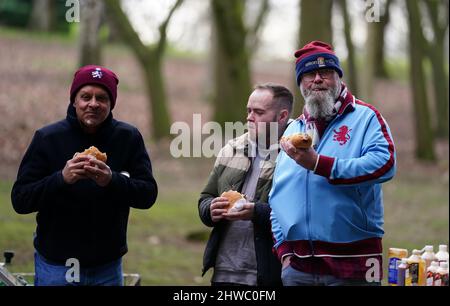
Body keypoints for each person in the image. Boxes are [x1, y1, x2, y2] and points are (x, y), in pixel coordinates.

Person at [11, 65, 158, 286]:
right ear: (74, 101)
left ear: (111, 103)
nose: (93, 104)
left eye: (102, 98)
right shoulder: (47, 138)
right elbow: (20, 200)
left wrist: (112, 180)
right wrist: (61, 178)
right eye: (85, 96)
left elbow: (148, 194)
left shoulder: (128, 138)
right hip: (56, 264)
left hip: (107, 264)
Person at [269, 41, 396, 286]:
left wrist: (320, 164)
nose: (317, 79)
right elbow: (277, 198)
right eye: (308, 74)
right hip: (298, 266)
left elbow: (385, 163)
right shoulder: (293, 130)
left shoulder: (366, 117)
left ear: (338, 78)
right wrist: (283, 249)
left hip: (356, 261)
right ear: (300, 83)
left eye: (325, 72)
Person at [198, 83, 293, 286]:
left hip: (270, 273)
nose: (250, 117)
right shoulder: (232, 148)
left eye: (259, 112)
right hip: (224, 271)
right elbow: (206, 197)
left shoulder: (297, 156)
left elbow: (298, 215)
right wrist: (210, 209)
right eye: (249, 110)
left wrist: (256, 212)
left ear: (282, 116)